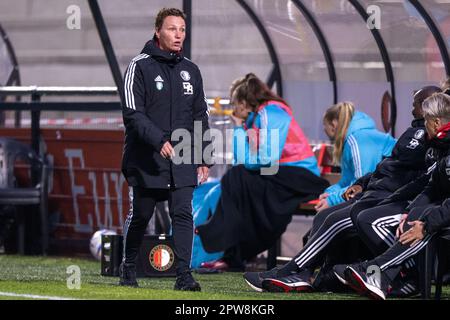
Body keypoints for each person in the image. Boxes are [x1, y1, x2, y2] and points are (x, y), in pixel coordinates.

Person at [243, 86, 436, 293]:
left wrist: (344, 194)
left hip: (387, 198)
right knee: (328, 216)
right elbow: (381, 169)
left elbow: (412, 176)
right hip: (377, 194)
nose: (411, 110)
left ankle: (295, 271)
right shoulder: (412, 132)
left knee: (340, 219)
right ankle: (304, 273)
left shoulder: (364, 139)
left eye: (415, 105)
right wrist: (358, 185)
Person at [196, 73, 329, 271]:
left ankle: (226, 244)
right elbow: (241, 160)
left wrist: (245, 155)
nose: (234, 109)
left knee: (238, 177)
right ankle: (232, 254)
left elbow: (267, 159)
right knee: (237, 178)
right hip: (280, 173)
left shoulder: (272, 113)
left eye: (235, 104)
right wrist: (239, 127)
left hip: (301, 176)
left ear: (244, 101)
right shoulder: (254, 119)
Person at [119, 7, 210, 291]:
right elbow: (133, 113)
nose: (178, 35)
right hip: (147, 158)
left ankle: (184, 276)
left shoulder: (191, 71)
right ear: (158, 31)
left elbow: (200, 116)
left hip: (182, 157)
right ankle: (128, 265)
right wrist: (159, 140)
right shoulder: (139, 66)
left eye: (182, 29)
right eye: (172, 29)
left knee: (183, 213)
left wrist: (204, 157)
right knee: (142, 215)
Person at [334, 92, 450, 300]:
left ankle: (375, 270)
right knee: (413, 214)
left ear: (435, 122)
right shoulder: (437, 148)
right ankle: (383, 278)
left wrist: (426, 223)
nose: (423, 126)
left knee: (421, 218)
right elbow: (431, 187)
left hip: (443, 213)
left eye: (425, 121)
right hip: (439, 208)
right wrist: (407, 211)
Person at [315, 102, 396, 212]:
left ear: (333, 125)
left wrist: (333, 200)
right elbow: (347, 180)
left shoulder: (358, 140)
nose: (324, 131)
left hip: (390, 194)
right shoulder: (350, 140)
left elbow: (361, 183)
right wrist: (329, 193)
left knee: (327, 220)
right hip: (377, 192)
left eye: (325, 127)